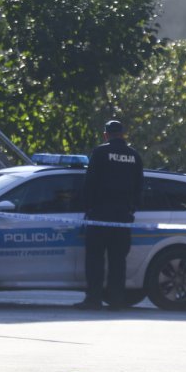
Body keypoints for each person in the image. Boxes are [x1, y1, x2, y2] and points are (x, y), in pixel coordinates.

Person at [76, 120, 143, 310]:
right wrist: (131, 209)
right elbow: (139, 186)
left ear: (106, 135)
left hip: (100, 216)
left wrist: (87, 208)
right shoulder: (134, 156)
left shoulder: (100, 153)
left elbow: (90, 183)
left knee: (95, 259)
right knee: (118, 261)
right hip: (122, 218)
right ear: (122, 134)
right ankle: (116, 300)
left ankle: (94, 298)